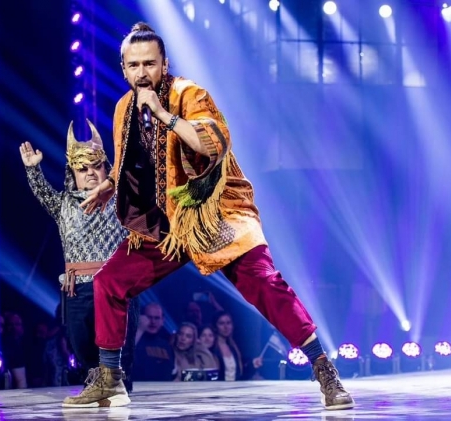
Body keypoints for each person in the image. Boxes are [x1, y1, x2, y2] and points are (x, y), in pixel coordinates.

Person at [63, 22, 354, 410]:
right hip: (167, 224)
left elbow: (213, 143)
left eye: (149, 64)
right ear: (123, 68)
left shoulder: (189, 94)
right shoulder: (123, 109)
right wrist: (109, 184)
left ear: (164, 64)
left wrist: (164, 114)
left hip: (217, 215)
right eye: (134, 65)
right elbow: (131, 163)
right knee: (110, 282)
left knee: (265, 284)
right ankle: (110, 380)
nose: (142, 73)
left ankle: (324, 369)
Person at [20, 120, 140, 393]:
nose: (90, 173)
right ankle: (97, 393)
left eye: (96, 166)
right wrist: (33, 169)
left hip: (117, 288)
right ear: (72, 173)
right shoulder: (63, 204)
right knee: (82, 346)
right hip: (78, 289)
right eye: (82, 169)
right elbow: (42, 193)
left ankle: (121, 397)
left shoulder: (122, 199)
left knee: (121, 355)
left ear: (106, 168)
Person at [133, 303, 175, 381]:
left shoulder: (166, 344)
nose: (153, 322)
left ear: (162, 320)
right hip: (137, 386)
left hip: (163, 387)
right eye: (149, 317)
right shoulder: (132, 339)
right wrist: (140, 330)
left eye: (157, 318)